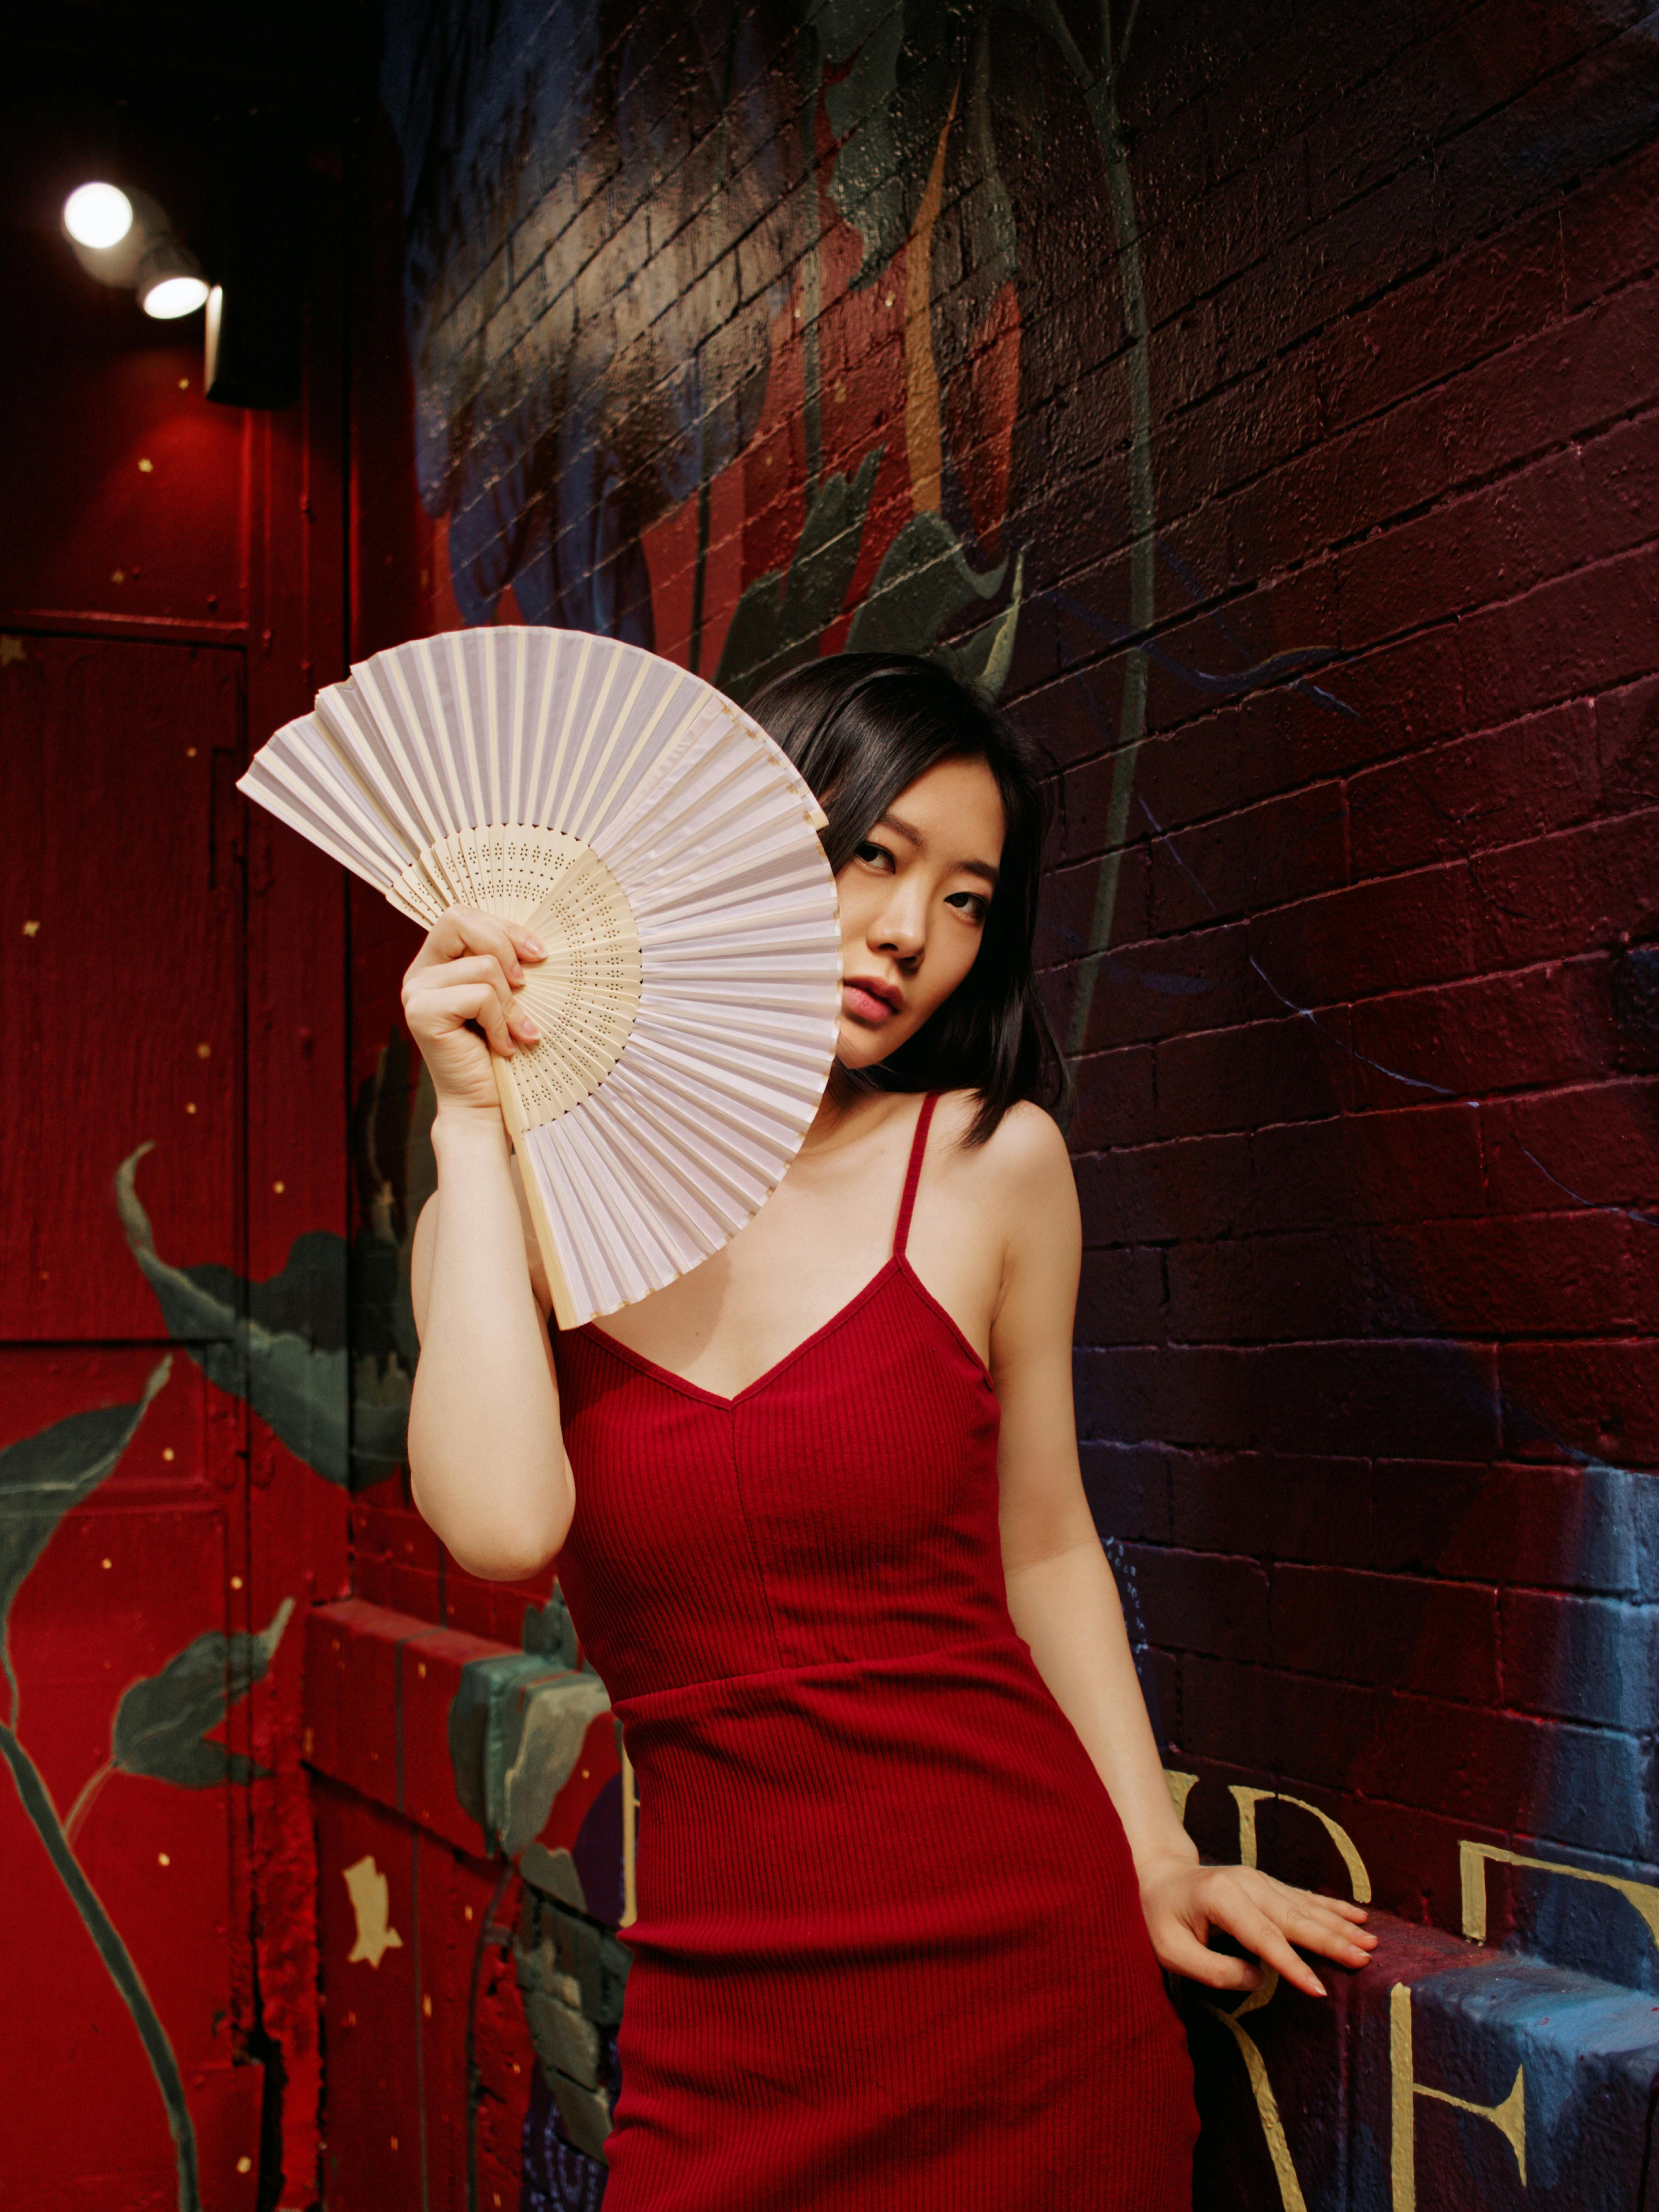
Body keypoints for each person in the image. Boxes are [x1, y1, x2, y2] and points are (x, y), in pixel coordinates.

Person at [404, 652, 1375, 2208]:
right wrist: (467, 1120)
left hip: (1027, 1999)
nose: (913, 932)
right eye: (873, 854)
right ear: (728, 840)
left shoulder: (994, 1163)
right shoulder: (520, 1201)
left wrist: (1151, 1849)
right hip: (721, 2035)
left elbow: (1047, 1540)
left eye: (971, 897)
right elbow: (503, 1526)